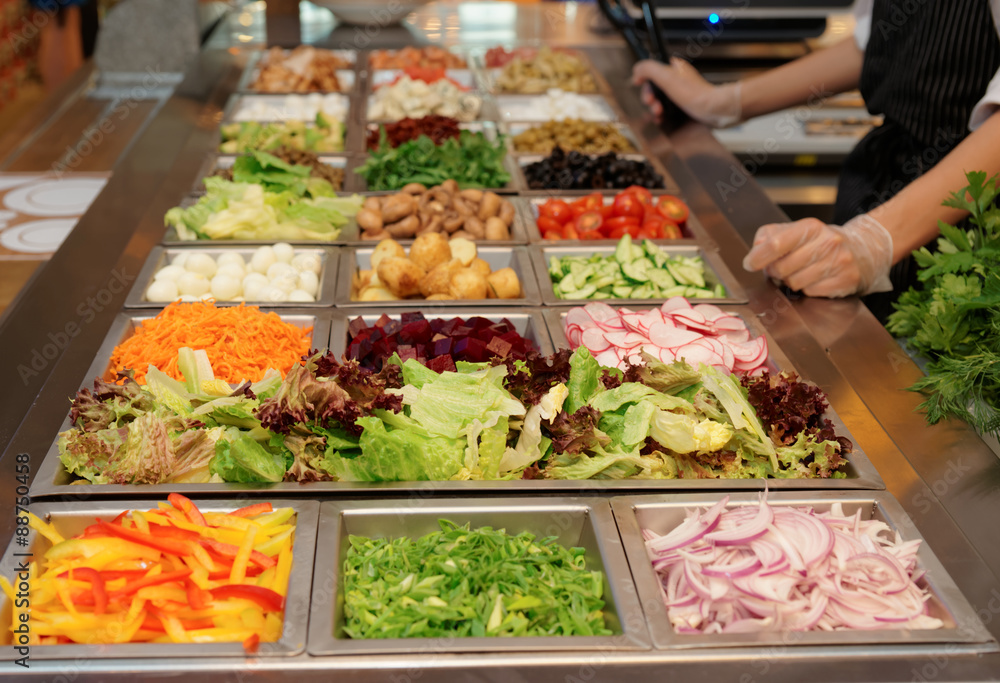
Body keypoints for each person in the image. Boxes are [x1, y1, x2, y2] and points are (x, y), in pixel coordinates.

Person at [632, 0, 1000, 318]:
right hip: (883, 176)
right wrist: (724, 103)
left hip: (973, 220)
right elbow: (876, 42)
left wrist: (874, 240)